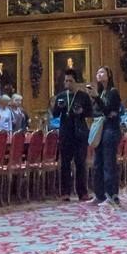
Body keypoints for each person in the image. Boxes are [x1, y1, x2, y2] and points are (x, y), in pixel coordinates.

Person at [55, 70, 92, 202]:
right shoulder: (60, 96)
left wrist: (81, 111)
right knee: (65, 164)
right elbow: (54, 114)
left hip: (80, 133)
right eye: (66, 81)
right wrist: (59, 108)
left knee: (80, 163)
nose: (68, 83)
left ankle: (82, 192)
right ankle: (65, 192)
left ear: (76, 82)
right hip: (65, 133)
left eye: (70, 81)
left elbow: (90, 113)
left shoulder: (83, 96)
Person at [88, 66, 122, 206]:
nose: (99, 74)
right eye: (97, 72)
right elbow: (99, 112)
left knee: (109, 164)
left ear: (109, 74)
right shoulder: (101, 93)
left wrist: (96, 98)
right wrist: (96, 98)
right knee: (97, 164)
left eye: (102, 72)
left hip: (111, 130)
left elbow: (109, 111)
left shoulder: (113, 92)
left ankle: (112, 196)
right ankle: (99, 195)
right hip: (100, 129)